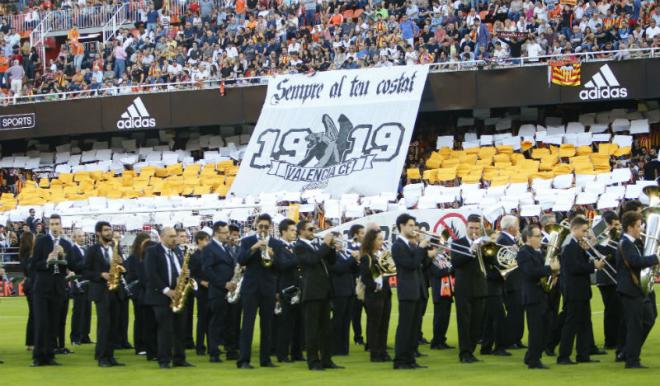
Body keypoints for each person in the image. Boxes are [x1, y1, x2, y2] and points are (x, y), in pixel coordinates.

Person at [30, 214, 78, 367]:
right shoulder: (42, 241)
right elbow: (33, 264)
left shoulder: (66, 243)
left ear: (61, 225)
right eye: (52, 224)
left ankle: (50, 355)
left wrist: (64, 256)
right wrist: (47, 261)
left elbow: (74, 265)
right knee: (41, 323)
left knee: (53, 323)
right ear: (48, 226)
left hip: (58, 288)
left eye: (57, 224)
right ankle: (38, 357)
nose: (55, 227)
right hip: (42, 288)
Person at [557, 216, 605, 365]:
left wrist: (587, 252)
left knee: (584, 323)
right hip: (574, 291)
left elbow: (579, 264)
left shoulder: (577, 244)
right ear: (575, 229)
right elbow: (573, 268)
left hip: (581, 291)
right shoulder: (570, 246)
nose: (585, 234)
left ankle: (583, 354)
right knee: (571, 324)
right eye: (583, 231)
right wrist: (594, 266)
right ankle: (563, 356)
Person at [294, 220, 342, 371]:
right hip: (311, 292)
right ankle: (313, 361)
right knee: (312, 329)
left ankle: (327, 359)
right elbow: (312, 260)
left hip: (324, 291)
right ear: (301, 231)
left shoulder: (315, 245)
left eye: (313, 228)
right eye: (310, 229)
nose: (313, 231)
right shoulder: (299, 246)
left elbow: (332, 262)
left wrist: (332, 247)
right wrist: (325, 245)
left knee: (325, 329)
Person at [143, 227, 194, 369]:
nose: (175, 239)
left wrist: (186, 276)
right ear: (162, 237)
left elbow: (180, 270)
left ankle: (179, 358)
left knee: (180, 328)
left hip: (178, 294)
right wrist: (167, 290)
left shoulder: (177, 251)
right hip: (160, 296)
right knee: (165, 329)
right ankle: (164, 360)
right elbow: (151, 274)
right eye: (171, 236)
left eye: (175, 236)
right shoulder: (152, 251)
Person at [616, 211, 659, 369]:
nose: (641, 228)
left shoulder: (633, 242)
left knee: (648, 318)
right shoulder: (625, 243)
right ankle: (631, 360)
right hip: (630, 290)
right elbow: (635, 261)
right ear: (630, 227)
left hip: (637, 289)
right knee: (635, 326)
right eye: (639, 225)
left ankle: (629, 351)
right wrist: (656, 258)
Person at [236, 214, 279, 369]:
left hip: (268, 288)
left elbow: (280, 267)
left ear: (271, 227)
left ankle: (265, 359)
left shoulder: (275, 243)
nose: (263, 229)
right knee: (247, 324)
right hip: (251, 288)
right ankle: (244, 360)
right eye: (260, 226)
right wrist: (254, 248)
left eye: (266, 227)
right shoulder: (247, 241)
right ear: (255, 225)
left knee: (267, 325)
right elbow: (241, 260)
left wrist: (274, 256)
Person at [391, 213, 433, 369]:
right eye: (410, 225)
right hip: (407, 291)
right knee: (405, 327)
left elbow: (422, 265)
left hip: (417, 290)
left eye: (414, 225)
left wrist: (426, 249)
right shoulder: (398, 246)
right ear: (401, 226)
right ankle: (400, 360)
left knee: (414, 328)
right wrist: (421, 248)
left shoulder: (411, 245)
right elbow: (411, 264)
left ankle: (410, 359)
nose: (414, 228)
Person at [517, 224, 560, 369]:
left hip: (541, 294)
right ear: (528, 238)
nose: (540, 239)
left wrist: (553, 275)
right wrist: (550, 269)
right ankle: (534, 360)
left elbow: (541, 271)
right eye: (537, 236)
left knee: (545, 327)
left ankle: (531, 356)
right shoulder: (524, 252)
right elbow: (530, 272)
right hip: (532, 296)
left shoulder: (537, 252)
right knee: (536, 329)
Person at [83, 221, 125, 368]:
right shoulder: (92, 250)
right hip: (101, 292)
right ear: (98, 233)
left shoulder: (115, 247)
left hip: (115, 291)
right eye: (106, 230)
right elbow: (85, 271)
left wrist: (121, 262)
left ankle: (111, 356)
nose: (109, 232)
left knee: (114, 325)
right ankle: (102, 357)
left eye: (110, 230)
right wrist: (101, 274)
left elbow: (124, 268)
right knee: (104, 325)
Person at [451, 214, 488, 363]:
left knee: (477, 322)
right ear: (466, 227)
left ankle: (471, 350)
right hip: (464, 289)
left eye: (477, 228)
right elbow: (456, 263)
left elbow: (491, 261)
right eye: (471, 228)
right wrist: (470, 250)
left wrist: (490, 247)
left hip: (480, 287)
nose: (474, 231)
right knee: (464, 322)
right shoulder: (457, 243)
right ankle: (464, 353)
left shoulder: (483, 243)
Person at [203, 221, 235, 363]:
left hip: (230, 290)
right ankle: (214, 352)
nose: (227, 235)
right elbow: (207, 270)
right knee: (217, 322)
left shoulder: (225, 247)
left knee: (230, 322)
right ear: (216, 232)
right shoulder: (209, 248)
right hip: (218, 291)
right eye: (225, 233)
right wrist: (223, 284)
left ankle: (230, 350)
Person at [359, 227, 392, 362]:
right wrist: (375, 286)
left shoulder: (380, 254)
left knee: (384, 323)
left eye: (382, 239)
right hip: (374, 294)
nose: (381, 242)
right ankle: (375, 352)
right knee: (375, 324)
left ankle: (382, 350)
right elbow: (365, 278)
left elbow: (390, 271)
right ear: (371, 241)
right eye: (379, 239)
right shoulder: (367, 257)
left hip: (385, 293)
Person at [274, 219, 304, 363]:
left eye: (295, 230)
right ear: (283, 231)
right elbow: (282, 265)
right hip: (286, 289)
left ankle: (297, 353)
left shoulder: (294, 246)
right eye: (292, 230)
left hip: (298, 288)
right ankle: (282, 354)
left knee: (299, 322)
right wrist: (299, 258)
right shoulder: (278, 247)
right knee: (286, 323)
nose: (294, 233)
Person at [594, 211, 621, 350]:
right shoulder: (603, 237)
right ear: (608, 225)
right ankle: (610, 340)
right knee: (611, 310)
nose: (618, 227)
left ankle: (616, 338)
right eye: (615, 224)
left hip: (614, 277)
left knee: (616, 309)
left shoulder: (615, 237)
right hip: (606, 278)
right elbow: (602, 253)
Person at [330, 230, 358, 356]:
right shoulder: (331, 255)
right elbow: (339, 269)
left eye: (341, 240)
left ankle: (344, 347)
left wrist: (357, 260)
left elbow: (352, 270)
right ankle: (335, 347)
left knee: (346, 320)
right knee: (338, 320)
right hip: (339, 291)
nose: (341, 243)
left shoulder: (344, 254)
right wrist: (352, 258)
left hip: (349, 290)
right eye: (337, 240)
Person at [499, 215, 525, 350]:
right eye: (517, 225)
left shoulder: (509, 239)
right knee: (514, 312)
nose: (519, 228)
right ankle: (510, 339)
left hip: (517, 281)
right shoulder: (503, 240)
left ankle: (516, 338)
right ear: (511, 227)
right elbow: (508, 261)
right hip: (511, 282)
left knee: (518, 311)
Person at [125, 232, 152, 356]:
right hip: (138, 292)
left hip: (145, 290)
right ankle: (140, 345)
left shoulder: (145, 256)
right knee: (140, 319)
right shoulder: (134, 258)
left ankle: (147, 344)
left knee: (146, 319)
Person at [188, 230, 211, 356]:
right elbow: (192, 275)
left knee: (211, 318)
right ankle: (200, 346)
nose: (207, 242)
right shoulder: (194, 256)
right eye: (206, 240)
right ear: (199, 241)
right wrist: (202, 282)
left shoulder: (209, 254)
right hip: (201, 290)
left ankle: (212, 344)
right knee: (202, 318)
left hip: (212, 289)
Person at [428, 241, 454, 350]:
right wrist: (451, 268)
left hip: (448, 291)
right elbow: (438, 272)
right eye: (439, 246)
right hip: (439, 291)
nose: (442, 247)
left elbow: (448, 269)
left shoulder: (443, 257)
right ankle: (436, 341)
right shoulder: (431, 260)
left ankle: (442, 340)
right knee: (439, 318)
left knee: (445, 317)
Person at [69, 229, 91, 347]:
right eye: (79, 236)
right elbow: (73, 265)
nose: (82, 238)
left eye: (83, 235)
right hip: (78, 283)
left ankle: (85, 336)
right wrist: (86, 262)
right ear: (74, 238)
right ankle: (75, 337)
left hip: (88, 283)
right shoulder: (72, 250)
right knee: (78, 311)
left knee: (87, 311)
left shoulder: (87, 249)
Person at [175, 228, 195, 350]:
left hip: (188, 284)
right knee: (179, 315)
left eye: (185, 236)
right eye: (181, 236)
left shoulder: (189, 250)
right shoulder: (174, 250)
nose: (184, 239)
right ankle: (179, 340)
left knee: (189, 314)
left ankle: (188, 339)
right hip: (178, 285)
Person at [348, 224, 366, 346]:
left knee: (372, 311)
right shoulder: (349, 247)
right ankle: (358, 337)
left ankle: (372, 338)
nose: (364, 235)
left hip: (368, 282)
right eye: (362, 233)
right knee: (356, 313)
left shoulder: (367, 247)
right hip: (356, 282)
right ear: (355, 235)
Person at [20, 231, 35, 352]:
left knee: (33, 314)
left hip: (27, 284)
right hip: (32, 285)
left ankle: (30, 342)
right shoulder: (30, 256)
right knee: (34, 314)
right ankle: (31, 342)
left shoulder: (23, 255)